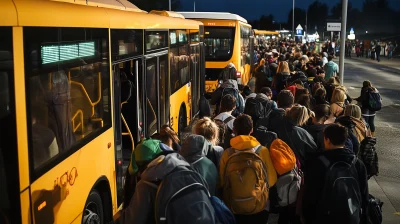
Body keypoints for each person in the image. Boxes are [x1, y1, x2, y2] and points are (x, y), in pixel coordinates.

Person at [302, 124, 369, 224]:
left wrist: (307, 216)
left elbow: (311, 193)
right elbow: (364, 193)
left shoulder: (318, 162)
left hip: (324, 216)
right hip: (351, 214)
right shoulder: (357, 163)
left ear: (327, 140)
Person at [219, 114, 277, 224]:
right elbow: (271, 180)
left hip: (233, 205)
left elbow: (222, 181)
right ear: (252, 130)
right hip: (258, 206)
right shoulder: (262, 151)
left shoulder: (228, 153)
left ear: (234, 130)